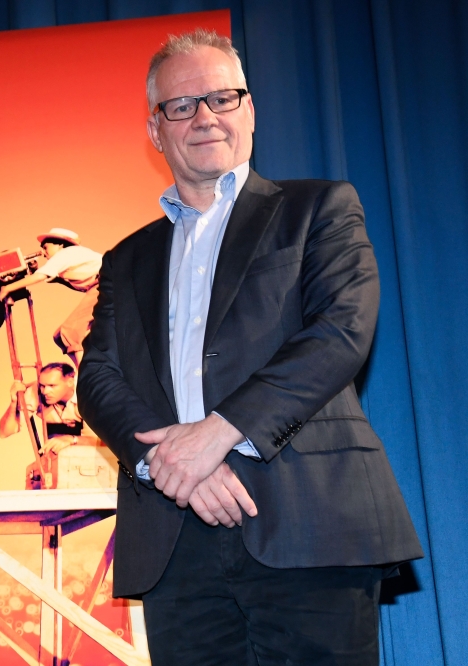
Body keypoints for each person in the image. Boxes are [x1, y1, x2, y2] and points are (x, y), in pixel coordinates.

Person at [76, 29, 422, 665]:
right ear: (156, 130)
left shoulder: (319, 208)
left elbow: (341, 328)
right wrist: (171, 467)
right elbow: (97, 377)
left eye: (222, 97)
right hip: (174, 541)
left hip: (310, 523)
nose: (204, 116)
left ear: (250, 110)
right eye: (181, 105)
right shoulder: (127, 258)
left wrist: (218, 433)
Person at [0, 228, 102, 367]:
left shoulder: (66, 253)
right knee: (59, 336)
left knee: (70, 331)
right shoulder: (72, 258)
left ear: (60, 244)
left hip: (113, 285)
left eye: (45, 247)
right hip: (108, 287)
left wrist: (7, 288)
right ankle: (83, 368)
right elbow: (83, 287)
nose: (42, 251)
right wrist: (45, 274)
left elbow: (41, 276)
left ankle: (88, 375)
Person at [0, 362, 97, 455]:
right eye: (42, 386)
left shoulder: (89, 396)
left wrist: (72, 439)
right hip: (56, 454)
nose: (45, 391)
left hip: (92, 453)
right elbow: (6, 432)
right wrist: (13, 403)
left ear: (70, 382)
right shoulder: (36, 391)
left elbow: (106, 441)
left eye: (52, 386)